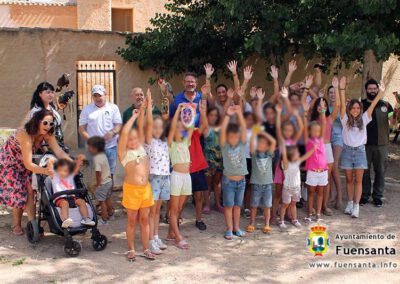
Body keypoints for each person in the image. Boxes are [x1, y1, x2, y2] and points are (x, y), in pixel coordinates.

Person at [0, 109, 70, 235]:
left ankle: (33, 226)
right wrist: (46, 171)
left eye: (51, 124)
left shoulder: (48, 133)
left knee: (30, 192)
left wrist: (72, 163)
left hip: (25, 163)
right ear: (37, 122)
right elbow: (28, 164)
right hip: (10, 162)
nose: (48, 126)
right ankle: (16, 224)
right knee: (19, 192)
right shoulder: (25, 134)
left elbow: (59, 151)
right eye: (45, 123)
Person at [341, 78, 384, 217]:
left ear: (361, 109)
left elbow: (373, 104)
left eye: (358, 108)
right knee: (348, 180)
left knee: (359, 180)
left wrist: (381, 92)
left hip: (360, 152)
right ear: (349, 109)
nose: (355, 110)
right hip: (347, 151)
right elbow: (341, 104)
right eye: (353, 108)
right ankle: (350, 202)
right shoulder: (345, 119)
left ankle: (356, 206)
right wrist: (341, 89)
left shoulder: (365, 118)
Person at [118, 106, 155, 261]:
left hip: (145, 189)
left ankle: (146, 248)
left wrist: (143, 110)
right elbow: (125, 132)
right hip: (131, 190)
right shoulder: (124, 153)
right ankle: (131, 249)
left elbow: (141, 126)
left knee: (145, 220)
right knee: (132, 220)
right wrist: (132, 117)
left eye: (135, 138)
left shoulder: (140, 147)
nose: (133, 141)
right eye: (130, 139)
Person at [308, 77, 340, 216]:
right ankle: (313, 206)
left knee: (325, 181)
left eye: (324, 105)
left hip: (327, 149)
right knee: (313, 181)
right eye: (320, 105)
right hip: (314, 150)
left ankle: (324, 206)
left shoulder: (330, 118)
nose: (322, 107)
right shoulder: (312, 119)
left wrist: (337, 89)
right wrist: (310, 90)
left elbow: (338, 105)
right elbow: (309, 108)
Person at [143, 90, 169, 254]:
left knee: (158, 211)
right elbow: (148, 123)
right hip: (153, 178)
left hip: (165, 177)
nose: (157, 129)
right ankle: (150, 240)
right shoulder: (149, 141)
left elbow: (168, 118)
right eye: (155, 127)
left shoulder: (164, 141)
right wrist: (149, 105)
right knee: (152, 211)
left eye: (160, 127)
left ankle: (156, 236)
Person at [78, 85, 122, 182]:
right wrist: (91, 141)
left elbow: (118, 125)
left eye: (100, 95)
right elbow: (81, 129)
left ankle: (108, 197)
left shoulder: (113, 108)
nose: (98, 98)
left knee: (110, 175)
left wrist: (113, 132)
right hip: (94, 149)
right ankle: (99, 196)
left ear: (105, 95)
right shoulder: (86, 110)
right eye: (95, 96)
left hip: (111, 147)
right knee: (97, 174)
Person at [361, 79, 393, 207]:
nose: (372, 91)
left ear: (378, 90)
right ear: (366, 90)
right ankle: (364, 195)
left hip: (382, 145)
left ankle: (378, 196)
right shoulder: (361, 104)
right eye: (370, 89)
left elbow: (393, 120)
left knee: (380, 171)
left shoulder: (386, 105)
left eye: (375, 89)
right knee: (364, 172)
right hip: (364, 144)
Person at [166, 103, 194, 249]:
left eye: (181, 128)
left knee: (179, 209)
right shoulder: (171, 143)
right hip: (176, 176)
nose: (181, 129)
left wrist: (191, 111)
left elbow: (190, 124)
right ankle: (178, 237)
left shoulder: (185, 141)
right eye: (178, 127)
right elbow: (172, 127)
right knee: (174, 209)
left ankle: (171, 233)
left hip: (186, 177)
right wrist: (178, 110)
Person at [220, 105, 248, 240]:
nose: (234, 139)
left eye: (236, 137)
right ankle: (229, 229)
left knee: (237, 206)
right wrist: (227, 115)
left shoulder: (242, 144)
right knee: (229, 206)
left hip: (241, 182)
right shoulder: (224, 146)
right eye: (231, 137)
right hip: (229, 182)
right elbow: (223, 130)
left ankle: (236, 227)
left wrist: (239, 114)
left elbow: (243, 129)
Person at [47, 156, 95, 228]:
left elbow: (77, 168)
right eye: (62, 170)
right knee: (65, 204)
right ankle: (66, 220)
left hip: (72, 197)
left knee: (82, 202)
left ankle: (86, 219)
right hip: (60, 198)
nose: (64, 172)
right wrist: (55, 160)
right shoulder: (54, 176)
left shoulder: (70, 175)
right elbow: (50, 162)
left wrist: (79, 160)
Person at [279, 142, 316, 230]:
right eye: (296, 153)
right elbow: (284, 156)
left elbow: (306, 156)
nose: (299, 154)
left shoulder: (297, 162)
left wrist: (313, 149)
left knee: (293, 204)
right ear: (290, 155)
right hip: (287, 188)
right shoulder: (285, 164)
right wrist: (283, 148)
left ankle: (294, 219)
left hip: (296, 188)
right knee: (285, 205)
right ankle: (281, 221)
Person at [245, 129, 276, 234]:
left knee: (267, 206)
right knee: (254, 205)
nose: (260, 144)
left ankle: (267, 224)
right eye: (258, 142)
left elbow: (274, 142)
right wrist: (255, 133)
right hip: (256, 185)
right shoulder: (254, 154)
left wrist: (264, 133)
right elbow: (251, 143)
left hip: (267, 185)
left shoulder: (269, 154)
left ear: (267, 146)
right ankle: (252, 223)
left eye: (263, 143)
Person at [303, 103, 327, 223]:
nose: (317, 133)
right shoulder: (308, 141)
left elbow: (323, 124)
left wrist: (322, 112)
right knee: (311, 193)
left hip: (323, 171)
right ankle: (309, 213)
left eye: (318, 131)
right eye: (314, 131)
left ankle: (318, 214)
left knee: (320, 192)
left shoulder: (322, 139)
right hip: (312, 171)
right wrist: (305, 113)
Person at [189, 99, 209, 231]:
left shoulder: (195, 132)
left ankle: (198, 219)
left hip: (197, 167)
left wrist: (202, 112)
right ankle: (176, 219)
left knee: (199, 195)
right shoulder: (179, 133)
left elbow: (204, 126)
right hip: (184, 168)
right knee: (182, 197)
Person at [87, 136, 113, 225]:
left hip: (102, 183)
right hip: (109, 181)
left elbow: (98, 172)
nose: (88, 149)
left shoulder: (97, 158)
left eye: (89, 147)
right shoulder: (103, 155)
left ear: (95, 148)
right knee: (108, 198)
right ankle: (111, 214)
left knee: (102, 201)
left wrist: (98, 185)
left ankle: (104, 219)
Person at [203, 107, 224, 213]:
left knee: (217, 183)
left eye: (215, 115)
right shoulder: (206, 128)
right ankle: (207, 203)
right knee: (208, 184)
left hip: (220, 160)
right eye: (211, 115)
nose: (213, 117)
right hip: (208, 161)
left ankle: (217, 203)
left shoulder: (220, 128)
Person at [328, 85, 343, 209]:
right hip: (327, 139)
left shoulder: (342, 106)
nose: (333, 94)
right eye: (331, 92)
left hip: (338, 139)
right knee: (330, 167)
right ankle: (331, 195)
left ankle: (339, 196)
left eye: (335, 92)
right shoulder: (326, 108)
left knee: (335, 166)